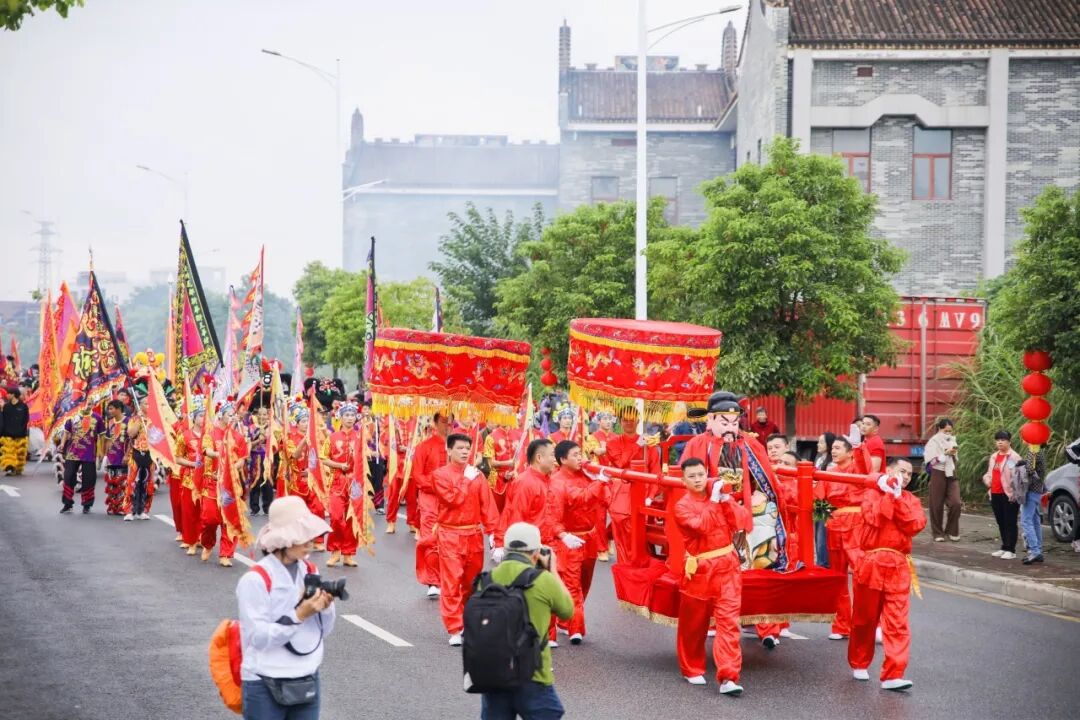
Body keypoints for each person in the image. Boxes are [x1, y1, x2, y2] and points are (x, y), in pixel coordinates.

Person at [236, 496, 336, 720]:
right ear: (283, 541)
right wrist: (299, 614)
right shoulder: (255, 580)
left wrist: (325, 608)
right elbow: (258, 638)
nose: (310, 542)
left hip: (307, 676)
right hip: (264, 681)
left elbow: (322, 632)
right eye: (302, 537)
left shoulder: (309, 570)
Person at [673, 457, 752, 695]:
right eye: (692, 476)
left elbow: (743, 522)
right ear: (683, 480)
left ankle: (728, 676)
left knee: (729, 622)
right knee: (693, 624)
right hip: (700, 569)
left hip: (728, 566)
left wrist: (727, 500)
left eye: (701, 474)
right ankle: (691, 668)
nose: (698, 480)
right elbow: (701, 527)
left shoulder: (716, 497)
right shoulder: (682, 506)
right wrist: (715, 502)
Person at [480, 522, 574, 720]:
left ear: (506, 549)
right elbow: (567, 611)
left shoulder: (486, 580)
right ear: (536, 552)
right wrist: (552, 570)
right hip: (534, 675)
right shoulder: (542, 580)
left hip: (494, 675)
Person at [848, 458, 926, 691]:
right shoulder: (871, 495)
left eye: (910, 474)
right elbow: (876, 519)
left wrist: (898, 497)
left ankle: (893, 673)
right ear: (889, 471)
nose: (906, 477)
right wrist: (889, 495)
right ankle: (859, 662)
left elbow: (915, 525)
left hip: (899, 566)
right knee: (864, 619)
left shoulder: (911, 500)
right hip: (872, 562)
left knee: (898, 622)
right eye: (902, 471)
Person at [432, 432, 500, 646]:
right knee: (452, 581)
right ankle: (455, 627)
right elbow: (452, 499)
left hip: (473, 534)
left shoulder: (477, 476)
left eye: (467, 448)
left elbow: (487, 506)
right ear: (449, 450)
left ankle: (468, 621)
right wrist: (465, 479)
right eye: (459, 448)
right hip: (450, 533)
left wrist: (495, 537)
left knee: (471, 583)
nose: (464, 452)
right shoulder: (440, 475)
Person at [547, 440, 611, 644]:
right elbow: (579, 499)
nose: (580, 458)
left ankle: (567, 620)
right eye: (575, 455)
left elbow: (605, 499)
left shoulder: (586, 475)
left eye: (580, 454)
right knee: (572, 584)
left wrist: (597, 479)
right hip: (570, 538)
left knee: (585, 583)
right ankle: (576, 628)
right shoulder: (557, 481)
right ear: (563, 459)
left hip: (589, 536)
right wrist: (598, 482)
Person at [819, 436, 866, 639]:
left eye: (838, 448)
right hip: (835, 524)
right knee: (838, 578)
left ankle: (868, 625)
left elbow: (865, 466)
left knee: (861, 577)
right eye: (833, 448)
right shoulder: (829, 473)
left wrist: (858, 445)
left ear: (849, 452)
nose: (834, 451)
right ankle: (841, 625)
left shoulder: (856, 468)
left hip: (856, 524)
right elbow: (817, 496)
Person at [604, 412, 660, 566]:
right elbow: (621, 463)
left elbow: (656, 472)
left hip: (645, 497)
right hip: (621, 499)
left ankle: (642, 574)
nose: (629, 423)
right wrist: (637, 445)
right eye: (625, 420)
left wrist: (651, 496)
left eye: (632, 420)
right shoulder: (613, 443)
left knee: (643, 541)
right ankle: (626, 573)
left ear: (638, 421)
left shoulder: (649, 445)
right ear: (620, 422)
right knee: (624, 542)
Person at [318, 402, 361, 568]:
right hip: (337, 480)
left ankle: (348, 553)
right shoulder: (332, 437)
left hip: (355, 482)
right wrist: (338, 465)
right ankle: (335, 551)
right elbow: (323, 458)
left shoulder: (360, 437)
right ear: (340, 418)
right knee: (336, 517)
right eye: (347, 415)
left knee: (352, 518)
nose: (350, 418)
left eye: (352, 415)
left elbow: (366, 457)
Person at [415, 413, 451, 597]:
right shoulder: (424, 447)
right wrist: (436, 486)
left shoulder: (457, 447)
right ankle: (433, 581)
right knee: (430, 538)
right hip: (430, 499)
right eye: (444, 421)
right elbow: (418, 476)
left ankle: (448, 578)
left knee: (450, 539)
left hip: (451, 499)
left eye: (451, 420)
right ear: (435, 423)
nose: (448, 424)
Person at [982, 430, 1021, 560]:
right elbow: (989, 473)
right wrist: (988, 481)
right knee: (1001, 521)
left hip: (1008, 494)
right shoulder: (994, 457)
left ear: (1009, 442)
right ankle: (1004, 546)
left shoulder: (1014, 457)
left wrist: (1014, 493)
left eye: (1003, 440)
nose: (1000, 442)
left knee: (1010, 521)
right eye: (998, 439)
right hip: (995, 493)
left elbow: (1019, 477)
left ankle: (1011, 549)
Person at [60, 405, 105, 514]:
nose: (87, 405)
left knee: (89, 479)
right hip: (73, 452)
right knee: (68, 476)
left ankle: (87, 504)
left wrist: (101, 452)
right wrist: (62, 444)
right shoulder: (72, 415)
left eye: (90, 403)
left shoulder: (97, 418)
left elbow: (102, 436)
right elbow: (66, 432)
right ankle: (67, 503)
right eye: (86, 403)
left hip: (89, 453)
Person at [924, 418, 961, 542]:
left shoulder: (953, 440)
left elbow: (956, 458)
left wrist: (952, 453)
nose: (948, 434)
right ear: (939, 429)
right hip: (938, 472)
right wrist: (944, 455)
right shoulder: (933, 442)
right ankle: (937, 532)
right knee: (936, 504)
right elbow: (930, 463)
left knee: (956, 503)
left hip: (951, 472)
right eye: (946, 431)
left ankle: (952, 530)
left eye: (950, 431)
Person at [1018, 446, 1046, 565]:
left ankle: (1034, 551)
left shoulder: (1033, 451)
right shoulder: (1040, 452)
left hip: (1030, 490)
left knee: (1026, 521)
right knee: (1035, 520)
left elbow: (1029, 469)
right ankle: (1038, 550)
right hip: (1038, 490)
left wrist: (1022, 464)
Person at [813, 432, 836, 568]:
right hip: (818, 499)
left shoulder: (831, 464)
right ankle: (821, 562)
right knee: (817, 533)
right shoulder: (820, 458)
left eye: (821, 442)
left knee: (822, 533)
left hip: (825, 501)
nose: (818, 444)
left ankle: (823, 564)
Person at [0, 387, 30, 475]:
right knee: (8, 452)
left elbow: (26, 419)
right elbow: (3, 419)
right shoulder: (6, 406)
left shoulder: (23, 406)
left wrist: (22, 429)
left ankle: (17, 468)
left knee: (19, 453)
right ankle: (9, 467)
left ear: (13, 395)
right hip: (8, 434)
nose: (7, 395)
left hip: (20, 434)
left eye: (8, 393)